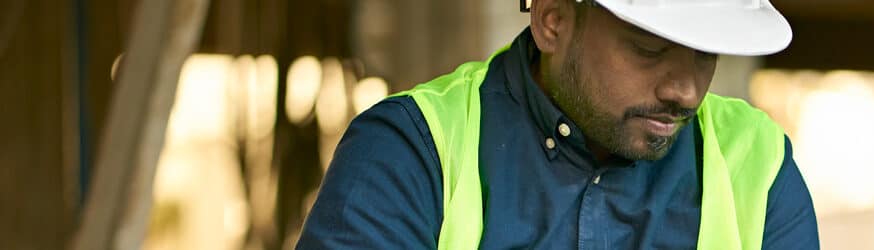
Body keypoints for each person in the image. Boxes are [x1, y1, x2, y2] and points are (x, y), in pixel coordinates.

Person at [296, 0, 818, 248]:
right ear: (553, 19)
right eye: (649, 49)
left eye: (706, 55)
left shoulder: (759, 166)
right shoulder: (411, 152)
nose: (685, 90)